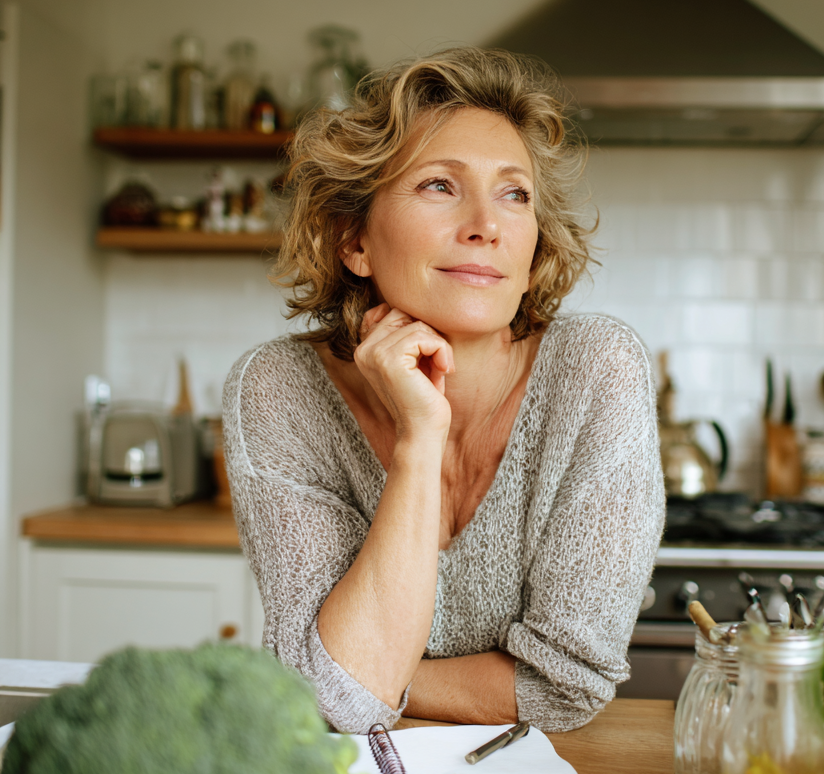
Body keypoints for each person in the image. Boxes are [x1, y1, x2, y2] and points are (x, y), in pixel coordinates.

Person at [223, 48, 664, 734]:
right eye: (439, 185)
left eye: (514, 193)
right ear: (354, 241)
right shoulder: (281, 390)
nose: (486, 223)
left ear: (533, 245)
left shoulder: (597, 369)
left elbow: (568, 687)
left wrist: (362, 672)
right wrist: (418, 441)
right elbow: (335, 702)